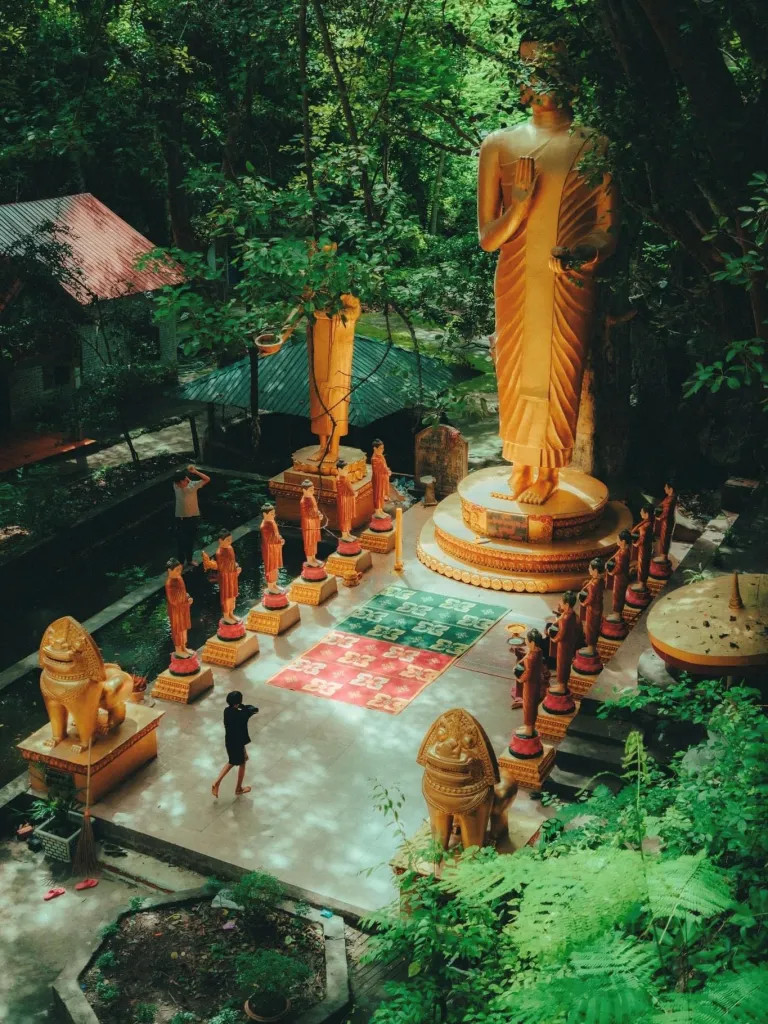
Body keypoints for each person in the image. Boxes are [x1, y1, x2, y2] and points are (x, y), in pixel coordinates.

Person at [212, 691, 258, 798]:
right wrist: (243, 707)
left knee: (237, 760)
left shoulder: (227, 711)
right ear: (238, 702)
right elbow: (252, 709)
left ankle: (224, 784)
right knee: (238, 763)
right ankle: (236, 787)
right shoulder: (241, 714)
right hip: (238, 743)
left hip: (230, 741)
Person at [173, 465, 210, 568]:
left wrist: (195, 471)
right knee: (180, 541)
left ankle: (189, 560)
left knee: (190, 540)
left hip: (192, 518)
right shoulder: (176, 486)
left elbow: (207, 479)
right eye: (177, 483)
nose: (179, 485)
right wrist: (185, 473)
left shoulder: (193, 486)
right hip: (180, 519)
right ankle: (180, 563)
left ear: (185, 480)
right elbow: (178, 471)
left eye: (180, 483)